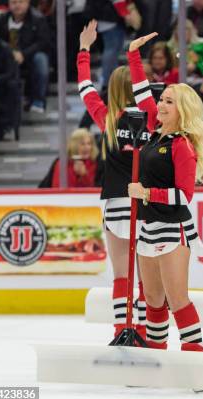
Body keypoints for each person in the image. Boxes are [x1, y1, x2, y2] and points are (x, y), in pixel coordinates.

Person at [127, 32, 203, 352]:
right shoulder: (154, 133)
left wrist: (145, 193)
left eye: (168, 101)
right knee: (152, 300)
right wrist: (134, 56)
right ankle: (156, 355)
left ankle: (194, 355)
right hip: (149, 228)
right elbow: (140, 92)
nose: (160, 103)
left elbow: (183, 196)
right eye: (161, 99)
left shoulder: (182, 145)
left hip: (174, 229)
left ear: (182, 109)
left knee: (177, 299)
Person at [77, 20, 149, 341]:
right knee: (147, 273)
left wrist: (83, 50)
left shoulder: (106, 120)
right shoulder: (152, 118)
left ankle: (122, 329)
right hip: (146, 201)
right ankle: (147, 329)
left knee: (121, 274)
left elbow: (84, 87)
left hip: (115, 203)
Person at [0, 0, 50, 113]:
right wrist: (10, 53)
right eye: (14, 2)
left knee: (41, 60)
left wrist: (23, 54)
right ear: (9, 4)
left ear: (28, 3)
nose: (17, 5)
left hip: (30, 55)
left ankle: (38, 101)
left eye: (20, 2)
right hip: (8, 55)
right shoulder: (0, 20)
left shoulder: (38, 19)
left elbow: (42, 42)